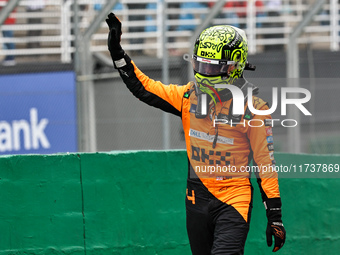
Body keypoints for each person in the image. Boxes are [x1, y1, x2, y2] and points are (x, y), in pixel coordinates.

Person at [106, 13, 286, 254]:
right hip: (196, 198)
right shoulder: (188, 96)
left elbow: (265, 164)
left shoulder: (254, 109)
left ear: (234, 66)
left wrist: (275, 216)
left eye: (212, 67)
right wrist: (117, 52)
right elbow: (143, 87)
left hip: (234, 198)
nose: (204, 72)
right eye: (200, 64)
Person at [0, 0, 16, 66]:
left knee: (9, 39)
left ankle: (11, 58)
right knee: (5, 40)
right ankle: (8, 58)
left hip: (8, 21)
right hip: (3, 20)